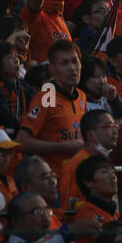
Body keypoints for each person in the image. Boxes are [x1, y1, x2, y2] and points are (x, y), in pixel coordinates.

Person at [17, 38, 86, 174]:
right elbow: (22, 142)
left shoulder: (81, 96)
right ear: (52, 69)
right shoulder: (46, 97)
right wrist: (64, 147)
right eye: (64, 63)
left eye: (75, 61)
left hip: (76, 180)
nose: (72, 68)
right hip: (54, 182)